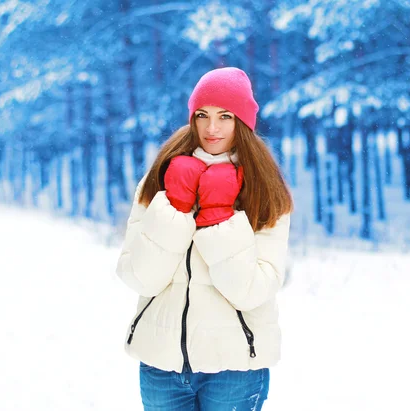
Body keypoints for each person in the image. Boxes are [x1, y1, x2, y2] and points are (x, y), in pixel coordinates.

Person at [116, 67, 293, 411]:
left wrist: (218, 216)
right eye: (203, 115)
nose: (212, 129)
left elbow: (253, 290)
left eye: (225, 116)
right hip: (161, 364)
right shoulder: (160, 180)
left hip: (235, 369)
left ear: (242, 121)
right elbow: (138, 276)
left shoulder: (264, 188)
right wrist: (176, 206)